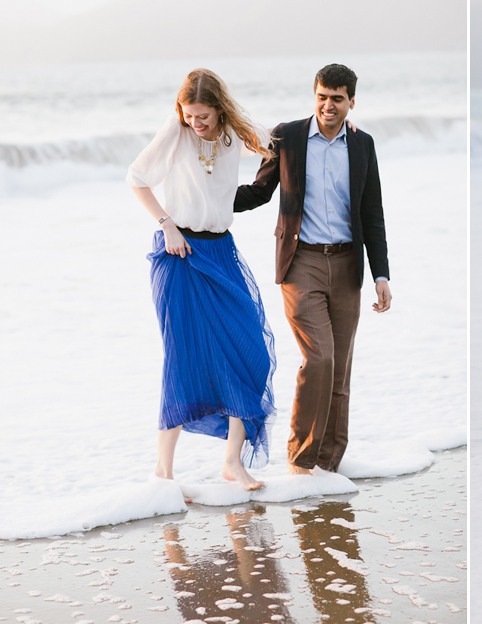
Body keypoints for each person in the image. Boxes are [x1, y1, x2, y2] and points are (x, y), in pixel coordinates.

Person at [234, 64, 391, 476]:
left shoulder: (362, 145)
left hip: (346, 264)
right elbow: (258, 192)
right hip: (300, 261)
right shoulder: (287, 137)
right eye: (322, 96)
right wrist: (204, 201)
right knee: (318, 359)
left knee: (340, 366)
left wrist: (381, 276)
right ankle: (301, 461)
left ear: (351, 102)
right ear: (314, 96)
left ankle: (329, 464)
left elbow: (372, 213)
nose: (328, 105)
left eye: (337, 99)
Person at [128, 69, 276, 496]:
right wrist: (166, 224)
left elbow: (280, 142)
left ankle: (232, 463)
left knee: (248, 353)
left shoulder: (234, 133)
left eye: (203, 115)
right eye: (189, 114)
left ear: (220, 109)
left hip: (221, 253)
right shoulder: (176, 131)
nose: (196, 122)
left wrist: (338, 126)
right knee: (183, 359)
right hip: (178, 256)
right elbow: (136, 177)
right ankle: (163, 472)